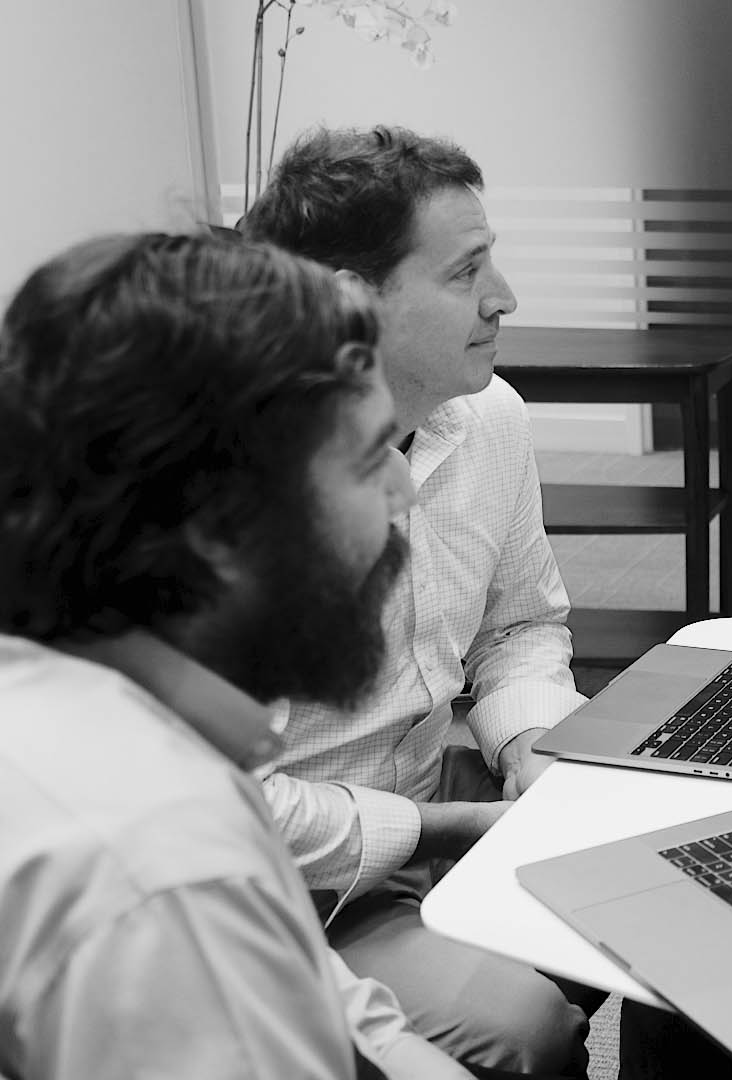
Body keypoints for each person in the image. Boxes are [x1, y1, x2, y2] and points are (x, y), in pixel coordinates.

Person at [0, 231, 473, 1079]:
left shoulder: (82, 697)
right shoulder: (168, 869)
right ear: (219, 525)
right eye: (370, 462)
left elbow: (319, 1001)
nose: (403, 496)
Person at [241, 126, 599, 1073]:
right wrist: (451, 830)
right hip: (279, 890)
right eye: (465, 272)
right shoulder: (235, 494)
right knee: (529, 1026)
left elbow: (520, 625)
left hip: (428, 800)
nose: (505, 298)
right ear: (353, 304)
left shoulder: (488, 417)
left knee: (658, 887)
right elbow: (231, 808)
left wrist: (530, 751)